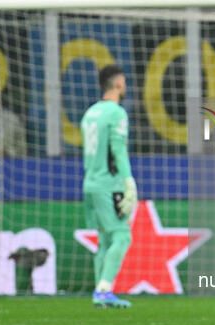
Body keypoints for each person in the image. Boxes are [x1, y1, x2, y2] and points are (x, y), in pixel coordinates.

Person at [80, 65, 137, 308]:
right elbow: (118, 151)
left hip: (90, 184)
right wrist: (128, 182)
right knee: (122, 236)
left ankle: (100, 291)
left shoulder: (90, 113)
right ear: (118, 84)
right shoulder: (116, 113)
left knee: (104, 239)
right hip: (107, 184)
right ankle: (103, 291)